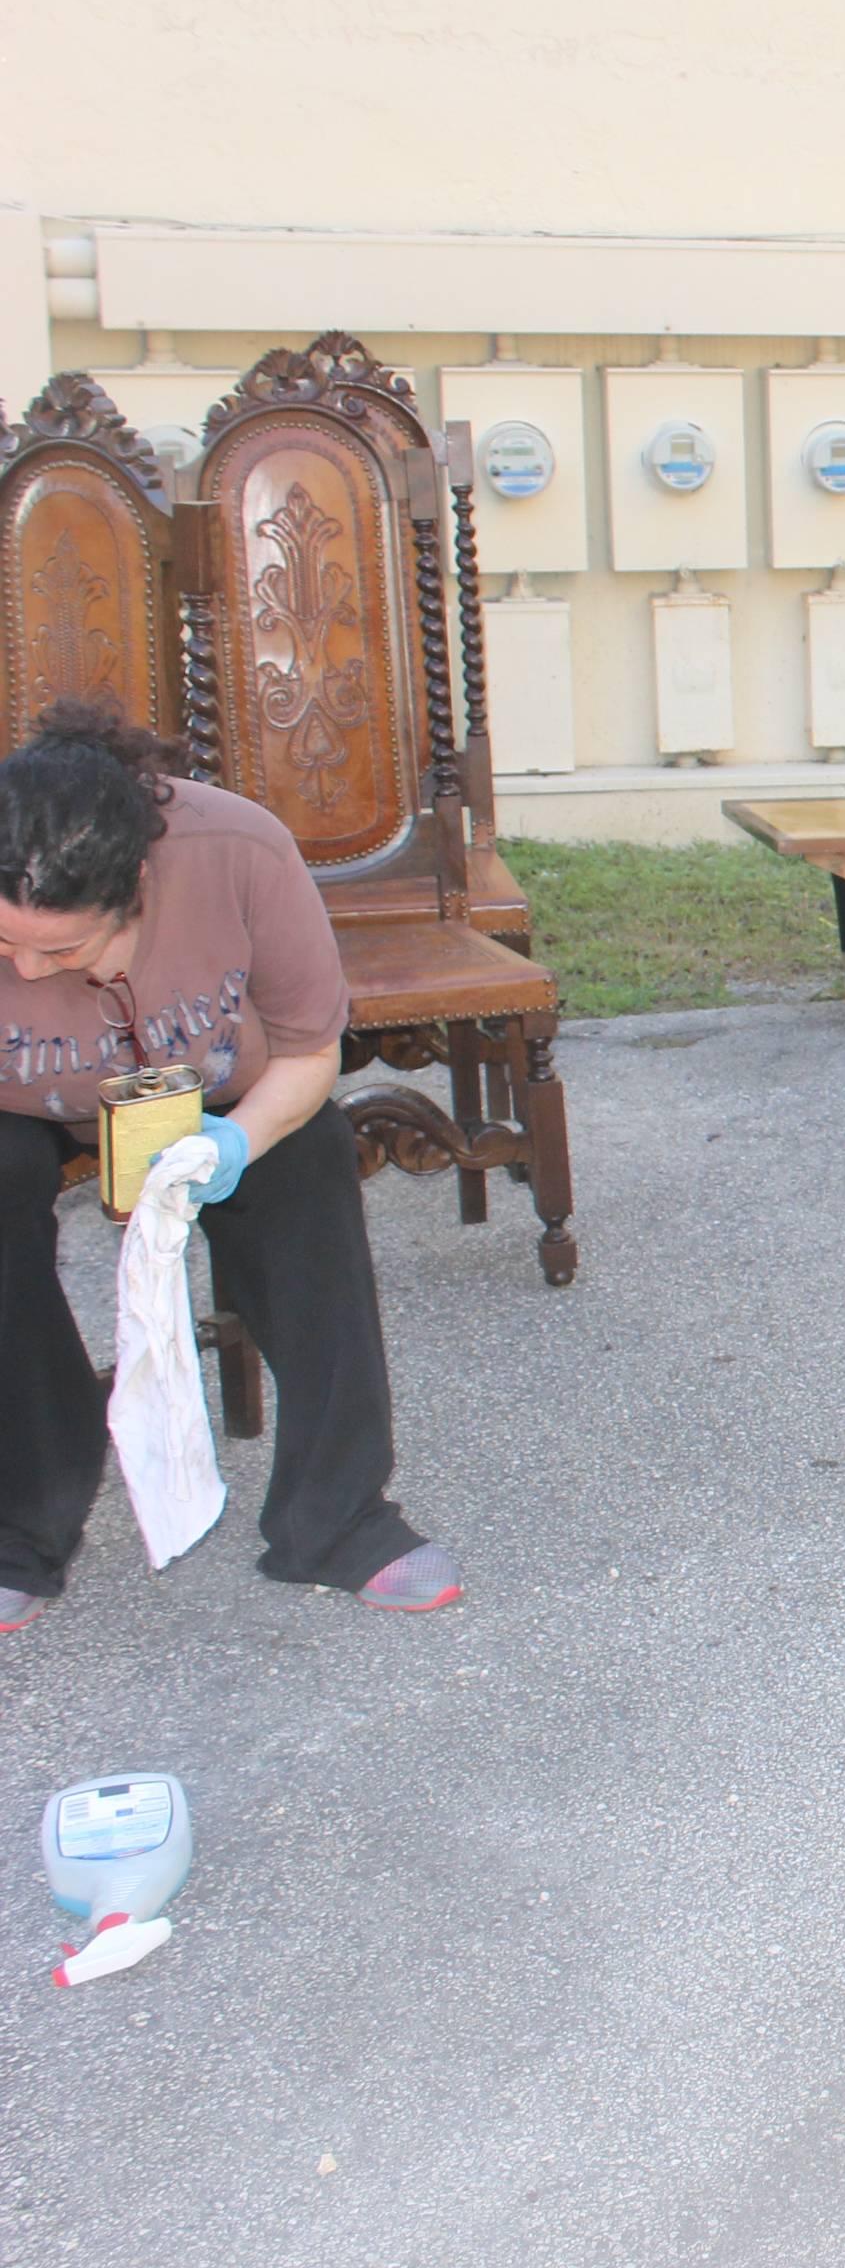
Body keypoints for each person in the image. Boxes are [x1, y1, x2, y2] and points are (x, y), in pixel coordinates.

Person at [0, 698, 457, 1629]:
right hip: (21, 1112)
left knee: (313, 1161)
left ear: (134, 884)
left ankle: (338, 1521)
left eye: (60, 947)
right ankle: (20, 1523)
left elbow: (306, 1052)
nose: (28, 969)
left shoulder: (238, 851)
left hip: (220, 1096)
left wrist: (239, 1139)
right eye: (3, 944)